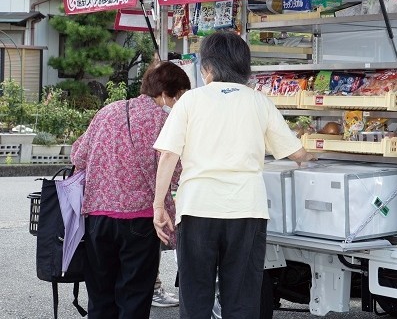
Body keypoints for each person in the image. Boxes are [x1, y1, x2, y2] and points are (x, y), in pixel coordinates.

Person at [152, 30, 315, 319]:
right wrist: (312, 156)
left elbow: (168, 155)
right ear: (243, 67)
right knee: (242, 296)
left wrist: (158, 206)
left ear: (208, 67)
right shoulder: (259, 102)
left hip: (197, 208)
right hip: (246, 209)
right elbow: (295, 153)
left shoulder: (190, 101)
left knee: (196, 294)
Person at [71, 61, 191, 318]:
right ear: (167, 93)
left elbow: (78, 156)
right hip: (139, 220)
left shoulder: (107, 112)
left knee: (101, 296)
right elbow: (176, 169)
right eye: (180, 96)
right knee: (134, 296)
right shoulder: (163, 121)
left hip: (98, 218)